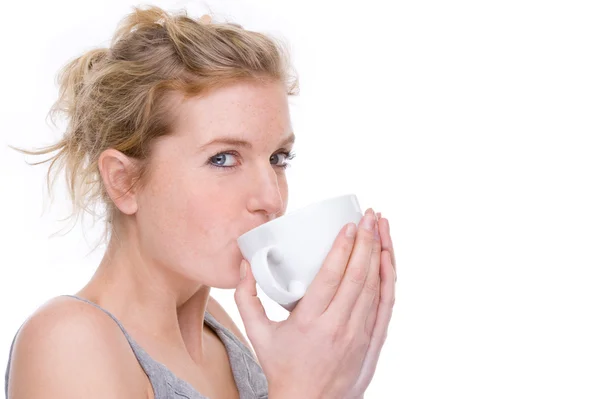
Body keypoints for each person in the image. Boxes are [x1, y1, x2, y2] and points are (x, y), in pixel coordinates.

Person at [4, 5, 397, 399]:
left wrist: (338, 380)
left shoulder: (219, 332)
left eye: (278, 158)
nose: (271, 199)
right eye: (223, 158)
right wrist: (303, 390)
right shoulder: (68, 343)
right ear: (123, 182)